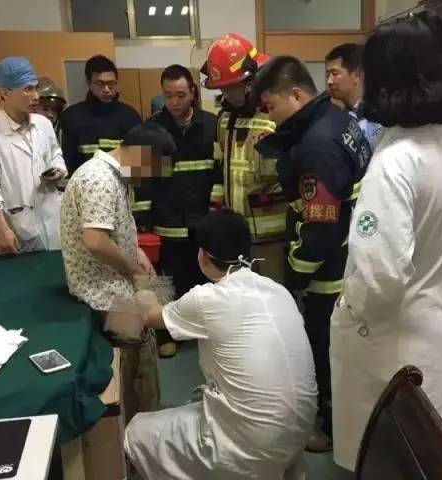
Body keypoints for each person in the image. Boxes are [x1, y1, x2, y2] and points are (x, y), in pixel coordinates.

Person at [329, 12, 442, 471]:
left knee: (392, 460)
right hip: (436, 324)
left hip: (391, 343)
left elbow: (379, 278)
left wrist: (349, 309)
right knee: (434, 455)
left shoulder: (396, 161)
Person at [122, 209, 317, 480]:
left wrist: (140, 277)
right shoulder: (277, 290)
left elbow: (150, 315)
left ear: (202, 255)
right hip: (299, 435)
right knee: (197, 402)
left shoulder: (206, 299)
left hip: (253, 443)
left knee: (136, 431)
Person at [254, 56, 371, 452]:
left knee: (324, 352)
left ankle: (334, 430)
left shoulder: (317, 144)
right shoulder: (340, 119)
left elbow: (320, 228)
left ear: (296, 94)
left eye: (271, 106)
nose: (269, 117)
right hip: (353, 256)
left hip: (329, 274)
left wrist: (296, 277)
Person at [60, 122, 174, 422]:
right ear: (142, 155)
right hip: (105, 292)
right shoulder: (99, 179)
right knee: (138, 359)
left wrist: (136, 251)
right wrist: (133, 268)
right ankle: (141, 430)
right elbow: (96, 241)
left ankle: (145, 423)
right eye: (152, 170)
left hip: (113, 282)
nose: (149, 179)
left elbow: (112, 230)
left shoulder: (109, 175)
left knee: (156, 315)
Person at [201, 33, 287, 283]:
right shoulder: (224, 120)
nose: (226, 93)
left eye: (231, 86)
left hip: (273, 239)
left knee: (273, 296)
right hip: (235, 237)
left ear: (252, 80)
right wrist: (216, 216)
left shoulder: (276, 117)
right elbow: (220, 171)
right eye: (222, 88)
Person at [149, 64, 219, 358]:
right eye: (168, 95)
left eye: (180, 95)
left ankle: (204, 331)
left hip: (203, 219)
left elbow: (220, 171)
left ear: (193, 93)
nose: (174, 102)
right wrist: (143, 221)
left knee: (205, 280)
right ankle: (167, 333)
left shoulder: (213, 125)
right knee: (167, 283)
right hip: (167, 222)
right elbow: (140, 182)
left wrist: (215, 210)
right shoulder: (150, 131)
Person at [0, 57, 66, 254]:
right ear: (5, 93)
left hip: (55, 216)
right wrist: (3, 229)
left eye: (36, 88)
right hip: (20, 226)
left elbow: (55, 153)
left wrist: (58, 170)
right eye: (28, 89)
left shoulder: (43, 124)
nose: (36, 96)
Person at [61, 55, 142, 175]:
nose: (107, 89)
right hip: (83, 182)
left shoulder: (130, 116)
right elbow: (68, 161)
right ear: (88, 83)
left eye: (111, 83)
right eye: (100, 84)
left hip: (121, 182)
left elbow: (137, 162)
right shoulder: (71, 117)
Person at [325, 43, 381, 151]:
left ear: (356, 75)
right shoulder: (341, 113)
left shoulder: (377, 116)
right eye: (327, 75)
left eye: (334, 73)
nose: (329, 81)